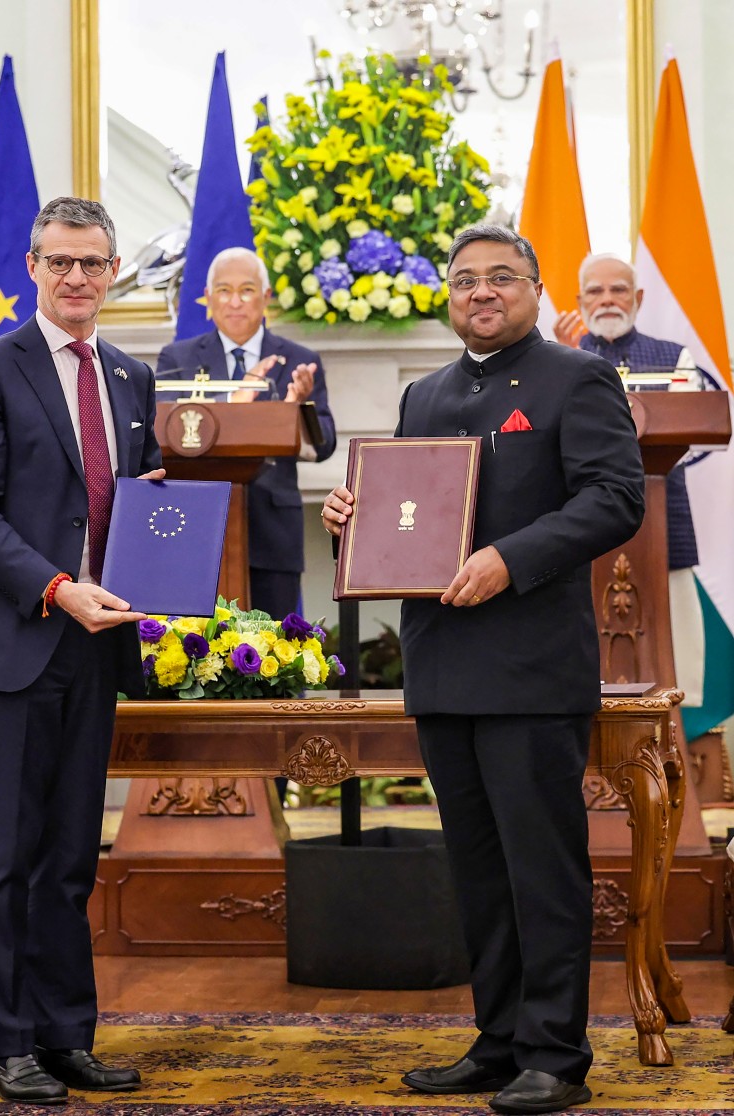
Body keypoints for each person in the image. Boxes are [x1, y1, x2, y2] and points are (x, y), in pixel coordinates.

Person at [323, 224, 644, 1114]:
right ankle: (498, 1040)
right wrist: (353, 518)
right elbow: (403, 515)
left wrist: (510, 557)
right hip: (442, 667)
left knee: (541, 869)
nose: (482, 292)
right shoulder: (422, 395)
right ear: (448, 297)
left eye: (502, 278)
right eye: (465, 280)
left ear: (536, 291)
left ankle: (554, 1053)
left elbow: (615, 500)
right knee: (476, 869)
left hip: (532, 669)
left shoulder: (576, 378)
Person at [0, 196, 164, 1105]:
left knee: (72, 855)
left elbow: (126, 502)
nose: (78, 278)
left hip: (97, 648)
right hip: (19, 637)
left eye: (94, 263)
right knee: (5, 856)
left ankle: (67, 1036)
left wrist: (150, 531)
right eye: (61, 262)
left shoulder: (132, 375)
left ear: (113, 274)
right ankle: (7, 1047)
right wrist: (58, 587)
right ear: (32, 267)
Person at [553, 253, 704, 705]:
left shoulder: (672, 356)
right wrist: (567, 353)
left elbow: (691, 434)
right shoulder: (558, 359)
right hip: (581, 520)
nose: (607, 300)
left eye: (617, 289)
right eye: (595, 291)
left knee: (671, 646)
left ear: (637, 297)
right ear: (579, 301)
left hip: (661, 517)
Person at [156, 246, 336, 621]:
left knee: (276, 655)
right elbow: (166, 436)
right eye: (223, 290)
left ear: (266, 297)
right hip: (198, 524)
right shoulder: (178, 358)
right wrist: (237, 401)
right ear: (208, 298)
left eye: (247, 290)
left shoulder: (300, 360)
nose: (235, 301)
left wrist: (294, 412)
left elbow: (324, 445)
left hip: (273, 529)